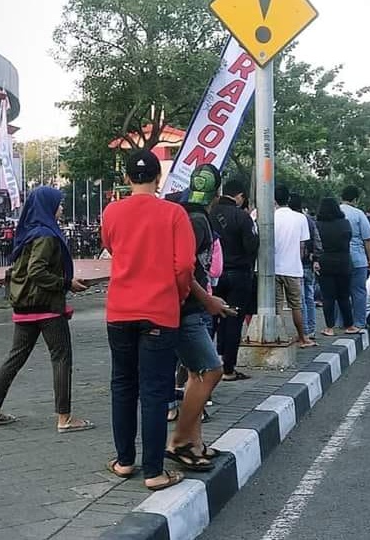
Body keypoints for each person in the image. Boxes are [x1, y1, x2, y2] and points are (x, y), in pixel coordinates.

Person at [101, 150, 195, 491]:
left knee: (122, 385)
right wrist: (179, 292)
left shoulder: (111, 211)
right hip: (159, 311)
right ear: (159, 178)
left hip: (120, 311)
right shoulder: (174, 213)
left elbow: (111, 246)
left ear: (127, 178)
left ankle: (124, 461)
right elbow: (184, 265)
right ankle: (154, 472)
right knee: (155, 391)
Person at [0, 187, 93, 434]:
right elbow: (37, 271)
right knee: (61, 358)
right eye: (59, 204)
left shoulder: (28, 233)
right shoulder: (46, 236)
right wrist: (66, 284)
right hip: (46, 307)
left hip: (24, 307)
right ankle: (64, 418)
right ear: (47, 206)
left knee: (15, 358)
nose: (62, 208)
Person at [166, 165, 231, 472]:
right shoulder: (196, 221)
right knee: (212, 371)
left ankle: (194, 442)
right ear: (218, 192)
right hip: (187, 307)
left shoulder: (184, 213)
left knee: (196, 374)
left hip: (189, 305)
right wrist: (207, 300)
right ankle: (179, 441)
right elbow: (181, 267)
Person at [211, 178, 260, 381]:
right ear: (239, 196)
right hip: (238, 274)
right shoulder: (242, 217)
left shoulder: (209, 214)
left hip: (212, 276)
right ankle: (228, 369)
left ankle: (205, 366)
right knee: (233, 321)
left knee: (210, 321)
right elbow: (252, 246)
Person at [274, 185, 316, 348]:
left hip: (274, 269)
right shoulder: (300, 218)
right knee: (296, 305)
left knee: (277, 306)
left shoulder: (270, 216)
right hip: (293, 268)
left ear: (274, 200)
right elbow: (302, 246)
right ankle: (302, 337)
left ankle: (280, 336)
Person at [315, 197, 354, 337]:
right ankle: (349, 325)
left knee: (328, 297)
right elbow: (349, 239)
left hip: (324, 262)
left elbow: (315, 244)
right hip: (343, 261)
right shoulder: (345, 223)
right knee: (344, 296)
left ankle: (329, 327)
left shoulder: (317, 225)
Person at [340, 185, 370, 332]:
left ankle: (340, 322)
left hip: (339, 257)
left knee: (340, 292)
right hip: (358, 257)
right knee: (359, 291)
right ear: (355, 199)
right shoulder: (359, 214)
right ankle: (359, 322)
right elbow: (367, 239)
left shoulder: (335, 212)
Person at [290, 193, 322, 340]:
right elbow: (317, 241)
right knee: (308, 297)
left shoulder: (292, 219)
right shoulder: (309, 220)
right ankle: (311, 329)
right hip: (309, 263)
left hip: (297, 263)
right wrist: (316, 258)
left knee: (300, 299)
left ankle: (304, 331)